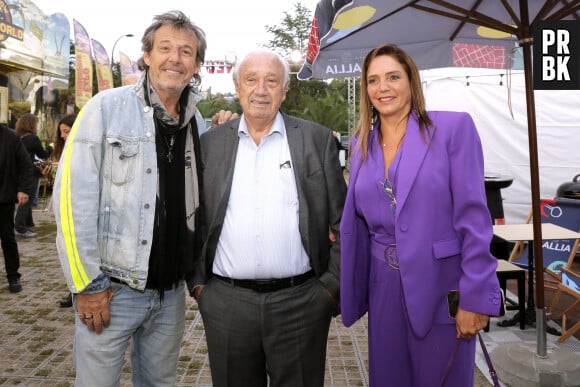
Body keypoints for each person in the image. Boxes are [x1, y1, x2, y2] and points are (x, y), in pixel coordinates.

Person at [52, 11, 207, 386]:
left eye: (186, 52)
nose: (176, 58)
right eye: (165, 48)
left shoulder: (197, 123)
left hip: (169, 296)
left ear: (197, 64)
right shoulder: (106, 109)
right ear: (147, 55)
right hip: (111, 292)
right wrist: (87, 286)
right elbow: (72, 202)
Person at [339, 43, 503, 386]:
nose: (382, 87)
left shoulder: (452, 130)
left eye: (393, 77)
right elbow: (358, 220)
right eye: (373, 80)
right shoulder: (359, 146)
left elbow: (474, 220)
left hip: (440, 287)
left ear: (411, 82)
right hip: (382, 288)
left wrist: (475, 297)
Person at [191, 49, 346, 387]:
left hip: (301, 304)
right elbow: (196, 219)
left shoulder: (317, 140)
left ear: (284, 90)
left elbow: (342, 221)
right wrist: (201, 286)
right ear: (237, 87)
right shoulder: (210, 144)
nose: (261, 89)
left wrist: (328, 291)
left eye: (272, 81)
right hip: (226, 304)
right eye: (251, 80)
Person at [0, 123, 35, 293]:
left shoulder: (11, 137)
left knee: (7, 238)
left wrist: (23, 189)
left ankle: (13, 276)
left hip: (4, 198)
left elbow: (26, 165)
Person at [50, 114, 77, 308]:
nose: (63, 136)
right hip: (65, 207)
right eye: (61, 133)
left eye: (66, 131)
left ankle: (77, 290)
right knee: (67, 250)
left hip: (80, 207)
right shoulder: (64, 150)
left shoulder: (85, 150)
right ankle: (73, 288)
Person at [14, 113, 52, 237]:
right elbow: (42, 154)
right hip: (29, 173)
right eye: (36, 123)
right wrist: (50, 148)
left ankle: (28, 225)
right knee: (27, 200)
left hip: (17, 172)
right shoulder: (32, 139)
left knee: (27, 199)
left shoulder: (17, 137)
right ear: (31, 124)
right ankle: (20, 227)